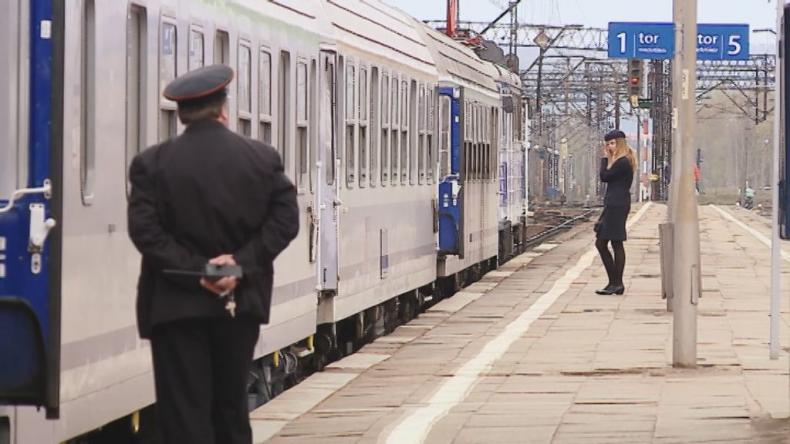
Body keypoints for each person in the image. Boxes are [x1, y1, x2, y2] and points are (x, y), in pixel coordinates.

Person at [127, 65, 299, 444]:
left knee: (183, 415)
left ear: (182, 115)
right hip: (238, 305)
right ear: (223, 110)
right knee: (231, 408)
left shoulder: (151, 165)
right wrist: (237, 265)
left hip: (175, 307)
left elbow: (145, 233)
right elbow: (286, 221)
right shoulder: (261, 159)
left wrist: (198, 271)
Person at [594, 129, 635, 295]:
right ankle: (615, 282)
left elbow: (604, 176)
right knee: (609, 242)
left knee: (609, 242)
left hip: (617, 205)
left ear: (620, 143)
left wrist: (605, 158)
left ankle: (616, 282)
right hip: (614, 204)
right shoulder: (621, 161)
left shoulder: (623, 162)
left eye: (612, 143)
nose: (610, 147)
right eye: (608, 144)